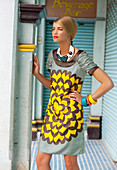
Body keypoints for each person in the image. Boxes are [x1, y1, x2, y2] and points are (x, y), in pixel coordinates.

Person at [33, 16, 114, 170]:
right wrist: (37, 74)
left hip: (71, 116)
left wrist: (86, 100)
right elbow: (54, 87)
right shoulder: (52, 55)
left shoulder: (81, 57)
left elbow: (107, 83)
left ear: (70, 33)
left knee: (70, 164)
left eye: (60, 29)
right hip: (52, 115)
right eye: (53, 28)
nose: (55, 32)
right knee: (41, 160)